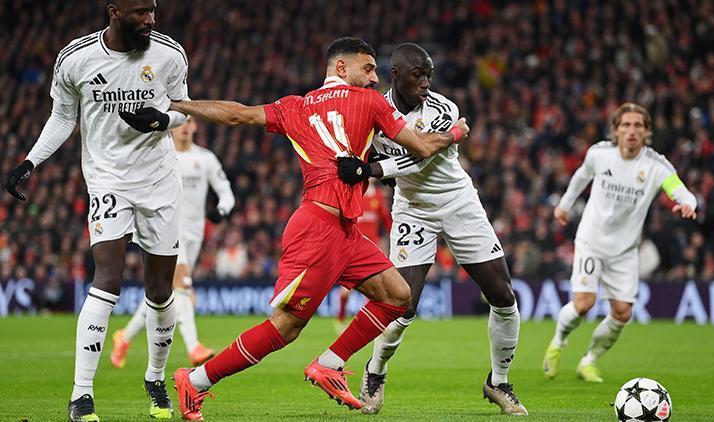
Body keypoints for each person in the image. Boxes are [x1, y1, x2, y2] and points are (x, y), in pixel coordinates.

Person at [161, 37, 470, 420]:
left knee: (397, 295)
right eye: (368, 69)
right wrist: (456, 133)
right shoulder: (370, 102)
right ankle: (197, 380)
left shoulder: (295, 106)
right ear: (342, 68)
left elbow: (236, 113)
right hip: (319, 228)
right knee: (285, 328)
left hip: (343, 229)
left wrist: (176, 104)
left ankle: (330, 362)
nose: (375, 79)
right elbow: (421, 147)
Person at [3, 1, 190, 420]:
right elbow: (62, 117)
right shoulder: (76, 59)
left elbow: (184, 109)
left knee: (160, 292)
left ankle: (155, 378)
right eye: (141, 12)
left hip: (159, 181)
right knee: (107, 277)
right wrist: (29, 162)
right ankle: (81, 393)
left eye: (153, 10)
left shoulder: (169, 53)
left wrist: (161, 121)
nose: (151, 19)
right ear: (114, 11)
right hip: (107, 180)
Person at [337, 43, 527, 416]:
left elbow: (421, 155)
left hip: (459, 203)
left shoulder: (443, 108)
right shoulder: (374, 109)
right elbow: (366, 153)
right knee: (401, 304)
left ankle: (499, 381)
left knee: (503, 297)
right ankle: (375, 371)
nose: (425, 82)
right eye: (417, 75)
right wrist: (367, 165)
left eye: (428, 75)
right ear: (395, 75)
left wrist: (373, 172)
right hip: (414, 211)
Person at [542, 102, 697, 383]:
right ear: (616, 129)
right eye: (625, 125)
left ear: (647, 131)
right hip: (591, 240)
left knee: (623, 312)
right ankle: (558, 342)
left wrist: (687, 203)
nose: (632, 131)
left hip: (625, 250)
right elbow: (580, 178)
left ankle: (588, 361)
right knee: (584, 303)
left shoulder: (656, 165)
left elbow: (681, 190)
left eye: (638, 125)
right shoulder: (599, 154)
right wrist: (564, 205)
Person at [110, 116, 235, 368]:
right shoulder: (160, 156)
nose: (186, 127)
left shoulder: (206, 159)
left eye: (190, 122)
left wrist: (221, 210)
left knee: (165, 292)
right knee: (183, 286)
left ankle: (124, 336)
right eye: (181, 122)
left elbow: (226, 192)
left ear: (196, 127)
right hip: (167, 228)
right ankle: (194, 347)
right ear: (171, 125)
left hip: (194, 234)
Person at [335, 183, 393, 333]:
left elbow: (387, 221)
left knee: (373, 290)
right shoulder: (354, 194)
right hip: (353, 248)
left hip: (373, 249)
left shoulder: (378, 196)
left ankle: (368, 323)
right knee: (346, 291)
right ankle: (340, 319)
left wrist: (394, 238)